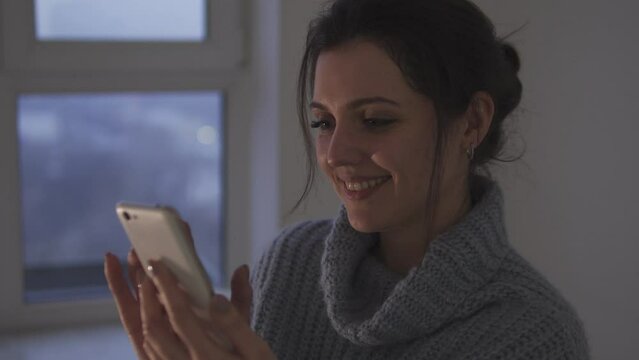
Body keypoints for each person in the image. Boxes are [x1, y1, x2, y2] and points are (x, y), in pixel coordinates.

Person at [104, 0, 590, 358]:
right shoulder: (295, 263)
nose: (335, 154)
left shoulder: (533, 335)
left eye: (376, 120)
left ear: (472, 122)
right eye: (323, 123)